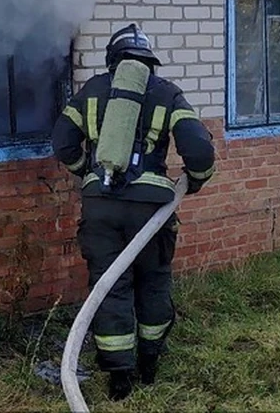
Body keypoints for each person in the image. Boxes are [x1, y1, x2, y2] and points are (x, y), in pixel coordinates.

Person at [51, 23, 216, 401]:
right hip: (151, 212)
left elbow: (62, 143)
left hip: (101, 208)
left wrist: (86, 173)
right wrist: (196, 179)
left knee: (110, 285)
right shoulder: (167, 93)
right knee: (153, 282)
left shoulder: (91, 91)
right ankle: (149, 365)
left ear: (113, 60)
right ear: (150, 63)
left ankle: (119, 378)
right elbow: (200, 151)